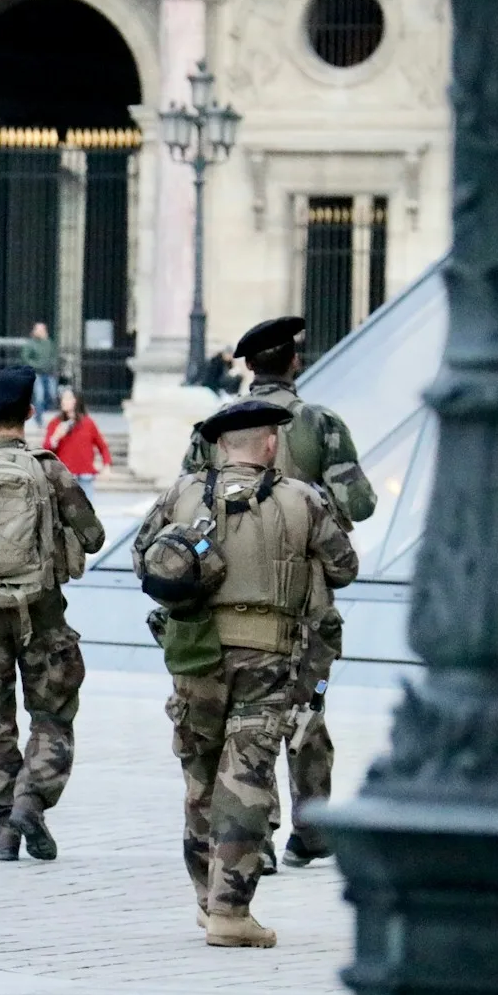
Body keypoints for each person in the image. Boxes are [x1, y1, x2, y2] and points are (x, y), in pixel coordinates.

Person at [139, 399, 358, 947]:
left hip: (193, 655)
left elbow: (144, 556)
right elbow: (345, 568)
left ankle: (205, 897)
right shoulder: (300, 499)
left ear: (219, 447)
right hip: (267, 659)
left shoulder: (184, 494)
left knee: (200, 777)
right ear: (269, 445)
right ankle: (230, 912)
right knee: (246, 777)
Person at [181, 315, 376, 873]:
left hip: (229, 597)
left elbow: (187, 499)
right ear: (294, 362)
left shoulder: (214, 427)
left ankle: (255, 835)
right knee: (306, 709)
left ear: (246, 368)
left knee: (243, 717)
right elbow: (359, 502)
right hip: (307, 602)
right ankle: (310, 828)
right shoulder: (321, 423)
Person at [0, 366, 106, 864]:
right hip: (41, 611)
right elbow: (93, 536)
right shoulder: (48, 469)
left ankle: (3, 827)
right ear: (29, 415)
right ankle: (32, 801)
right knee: (53, 714)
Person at [42, 390, 112, 490]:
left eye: (68, 398)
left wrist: (107, 465)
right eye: (63, 398)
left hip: (85, 475)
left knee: (86, 505)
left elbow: (103, 446)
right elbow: (46, 449)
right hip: (65, 476)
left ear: (76, 401)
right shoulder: (55, 423)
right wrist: (56, 437)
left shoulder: (88, 423)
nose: (64, 401)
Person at [19, 323, 59, 423]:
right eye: (39, 330)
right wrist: (37, 365)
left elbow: (53, 355)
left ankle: (43, 410)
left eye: (43, 330)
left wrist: (52, 364)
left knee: (52, 394)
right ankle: (39, 418)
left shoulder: (49, 343)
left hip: (48, 372)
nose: (41, 332)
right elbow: (26, 358)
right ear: (35, 331)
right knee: (39, 395)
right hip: (36, 373)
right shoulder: (30, 343)